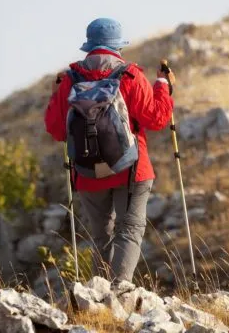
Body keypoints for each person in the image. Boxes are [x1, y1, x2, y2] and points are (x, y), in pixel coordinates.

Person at [44, 17, 174, 284]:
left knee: (101, 237)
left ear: (89, 46)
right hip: (131, 168)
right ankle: (118, 292)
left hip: (88, 172)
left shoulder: (69, 79)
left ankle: (98, 293)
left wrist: (55, 92)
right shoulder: (129, 75)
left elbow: (57, 130)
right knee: (130, 230)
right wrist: (163, 85)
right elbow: (157, 119)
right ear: (118, 47)